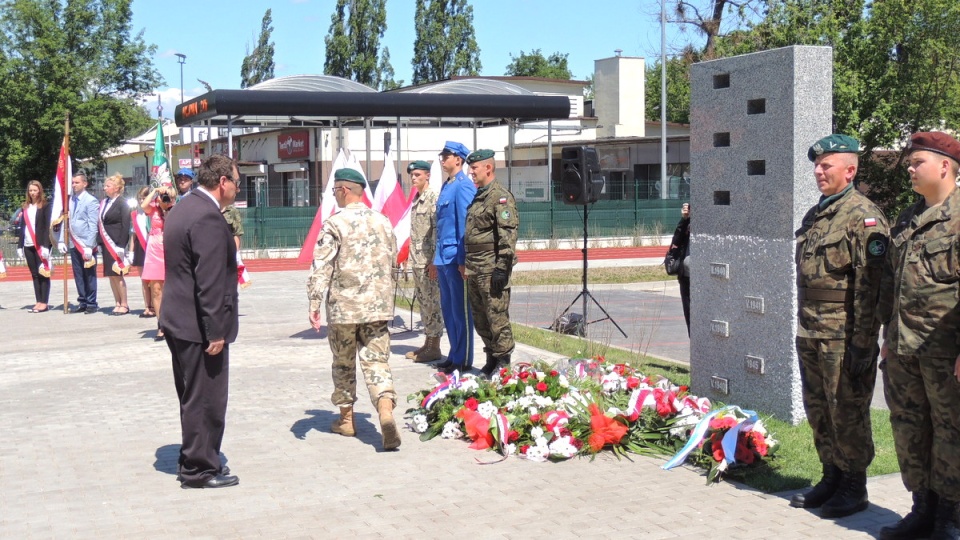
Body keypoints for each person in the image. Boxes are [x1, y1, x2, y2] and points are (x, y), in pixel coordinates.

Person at [790, 134, 889, 519]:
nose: (818, 171)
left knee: (846, 409)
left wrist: (864, 342)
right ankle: (830, 475)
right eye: (817, 165)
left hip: (843, 335)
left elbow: (871, 287)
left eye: (826, 165)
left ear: (850, 170)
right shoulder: (815, 216)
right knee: (819, 409)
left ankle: (854, 485)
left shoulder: (863, 217)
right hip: (810, 330)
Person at [877, 131, 960, 540]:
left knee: (952, 431)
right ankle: (921, 509)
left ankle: (950, 517)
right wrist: (888, 340)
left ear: (945, 166)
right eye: (910, 163)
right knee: (909, 426)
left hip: (946, 351)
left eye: (917, 162)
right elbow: (895, 285)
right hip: (905, 348)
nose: (909, 168)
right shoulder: (908, 219)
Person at [160, 154, 240, 489]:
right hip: (198, 326)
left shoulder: (183, 207)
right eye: (236, 181)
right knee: (206, 397)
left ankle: (195, 454)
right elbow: (208, 281)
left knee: (192, 395)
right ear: (222, 182)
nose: (237, 188)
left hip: (179, 319)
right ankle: (199, 468)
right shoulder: (207, 216)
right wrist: (216, 331)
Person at [307, 168, 401, 451]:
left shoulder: (335, 223)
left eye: (335, 190)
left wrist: (314, 302)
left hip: (344, 308)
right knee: (377, 362)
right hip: (378, 307)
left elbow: (321, 265)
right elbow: (392, 258)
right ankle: (385, 410)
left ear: (345, 190)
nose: (334, 195)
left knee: (344, 362)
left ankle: (346, 420)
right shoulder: (383, 221)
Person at [463, 150, 519, 378]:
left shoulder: (500, 197)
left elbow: (507, 234)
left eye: (474, 168)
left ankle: (503, 363)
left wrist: (501, 267)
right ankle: (491, 358)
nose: (471, 172)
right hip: (474, 267)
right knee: (481, 317)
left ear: (488, 168)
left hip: (491, 268)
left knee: (497, 317)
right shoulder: (479, 196)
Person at [433, 141, 477, 374]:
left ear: (458, 159)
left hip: (454, 257)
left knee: (461, 311)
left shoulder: (463, 186)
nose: (443, 159)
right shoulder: (447, 185)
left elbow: (464, 226)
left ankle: (464, 359)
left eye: (446, 156)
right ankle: (453, 354)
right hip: (442, 257)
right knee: (449, 310)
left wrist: (463, 260)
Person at [405, 160, 444, 363]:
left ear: (427, 176)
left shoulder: (432, 198)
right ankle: (428, 342)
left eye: (418, 175)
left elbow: (437, 231)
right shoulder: (417, 199)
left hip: (428, 261)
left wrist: (435, 260)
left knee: (433, 303)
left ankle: (435, 347)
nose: (414, 178)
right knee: (424, 302)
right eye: (412, 175)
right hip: (417, 260)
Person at [57, 171, 100, 314]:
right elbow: (66, 220)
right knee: (78, 274)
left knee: (89, 274)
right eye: (73, 183)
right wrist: (62, 240)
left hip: (85, 245)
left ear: (85, 183)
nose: (74, 185)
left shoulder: (91, 200)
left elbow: (93, 225)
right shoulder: (70, 200)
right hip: (73, 243)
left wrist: (89, 246)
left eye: (77, 182)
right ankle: (82, 301)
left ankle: (91, 303)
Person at [141, 184, 177, 338]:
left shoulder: (175, 209)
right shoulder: (153, 209)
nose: (165, 198)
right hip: (154, 250)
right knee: (156, 289)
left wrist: (169, 203)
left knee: (173, 289)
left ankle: (174, 322)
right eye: (164, 196)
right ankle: (161, 324)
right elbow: (143, 205)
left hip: (171, 249)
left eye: (168, 196)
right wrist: (155, 191)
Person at [17, 180, 53, 313]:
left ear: (40, 191)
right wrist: (20, 246)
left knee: (43, 273)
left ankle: (44, 302)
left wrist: (45, 245)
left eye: (35, 190)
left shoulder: (45, 206)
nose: (32, 193)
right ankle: (38, 301)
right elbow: (23, 227)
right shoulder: (25, 207)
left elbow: (46, 227)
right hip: (28, 244)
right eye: (30, 190)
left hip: (40, 245)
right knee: (34, 274)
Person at [98, 173, 132, 315]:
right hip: (106, 243)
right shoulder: (105, 202)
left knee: (118, 274)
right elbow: (100, 223)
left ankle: (124, 304)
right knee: (111, 275)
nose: (105, 188)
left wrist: (121, 245)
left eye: (108, 186)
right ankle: (116, 302)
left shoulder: (122, 203)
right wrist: (99, 242)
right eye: (105, 186)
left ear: (117, 188)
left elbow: (125, 226)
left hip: (116, 243)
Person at [668, 202, 691, 335]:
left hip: (701, 277)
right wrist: (685, 219)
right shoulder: (687, 223)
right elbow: (675, 242)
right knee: (689, 318)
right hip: (686, 277)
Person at [130, 186, 154, 317]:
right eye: (140, 198)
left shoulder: (155, 212)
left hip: (153, 248)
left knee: (155, 280)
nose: (141, 200)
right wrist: (131, 252)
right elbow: (133, 235)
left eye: (144, 197)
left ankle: (156, 305)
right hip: (140, 248)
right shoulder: (136, 214)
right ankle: (147, 306)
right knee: (144, 279)